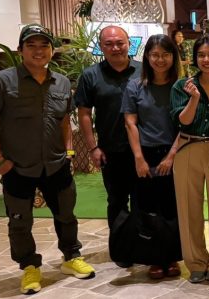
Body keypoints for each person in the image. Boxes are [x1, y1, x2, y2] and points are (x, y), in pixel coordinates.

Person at [0, 24, 96, 294]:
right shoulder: (2, 82)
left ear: (52, 51)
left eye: (44, 46)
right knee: (20, 221)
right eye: (31, 46)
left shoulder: (61, 82)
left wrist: (68, 152)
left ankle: (71, 257)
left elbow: (64, 121)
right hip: (17, 167)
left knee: (66, 215)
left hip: (56, 164)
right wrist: (0, 161)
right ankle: (29, 266)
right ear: (20, 50)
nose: (38, 51)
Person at [75, 25, 141, 269]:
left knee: (143, 200)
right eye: (109, 44)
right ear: (101, 47)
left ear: (129, 44)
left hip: (144, 150)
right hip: (111, 151)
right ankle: (122, 250)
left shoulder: (143, 70)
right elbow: (84, 113)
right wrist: (93, 147)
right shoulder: (91, 75)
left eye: (120, 43)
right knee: (117, 202)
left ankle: (144, 247)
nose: (115, 48)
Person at [121, 34, 183, 280]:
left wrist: (171, 156)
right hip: (144, 153)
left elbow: (186, 125)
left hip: (175, 152)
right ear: (147, 56)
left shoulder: (181, 86)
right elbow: (130, 123)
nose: (160, 60)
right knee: (147, 207)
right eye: (155, 54)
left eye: (165, 54)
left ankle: (172, 257)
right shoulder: (135, 86)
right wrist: (139, 158)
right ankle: (154, 259)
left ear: (173, 57)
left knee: (172, 207)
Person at [170, 35, 209, 283]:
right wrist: (194, 98)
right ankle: (195, 262)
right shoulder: (182, 86)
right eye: (201, 55)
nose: (206, 59)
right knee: (189, 207)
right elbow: (183, 121)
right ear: (195, 58)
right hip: (188, 148)